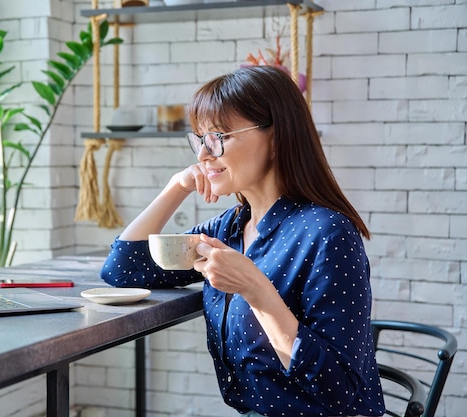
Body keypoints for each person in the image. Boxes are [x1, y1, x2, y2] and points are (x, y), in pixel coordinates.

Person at [100, 65, 385, 417]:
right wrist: (177, 187)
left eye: (218, 137)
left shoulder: (328, 233)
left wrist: (256, 289)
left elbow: (338, 393)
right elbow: (123, 269)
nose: (204, 154)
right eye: (200, 140)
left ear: (277, 138)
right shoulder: (230, 228)